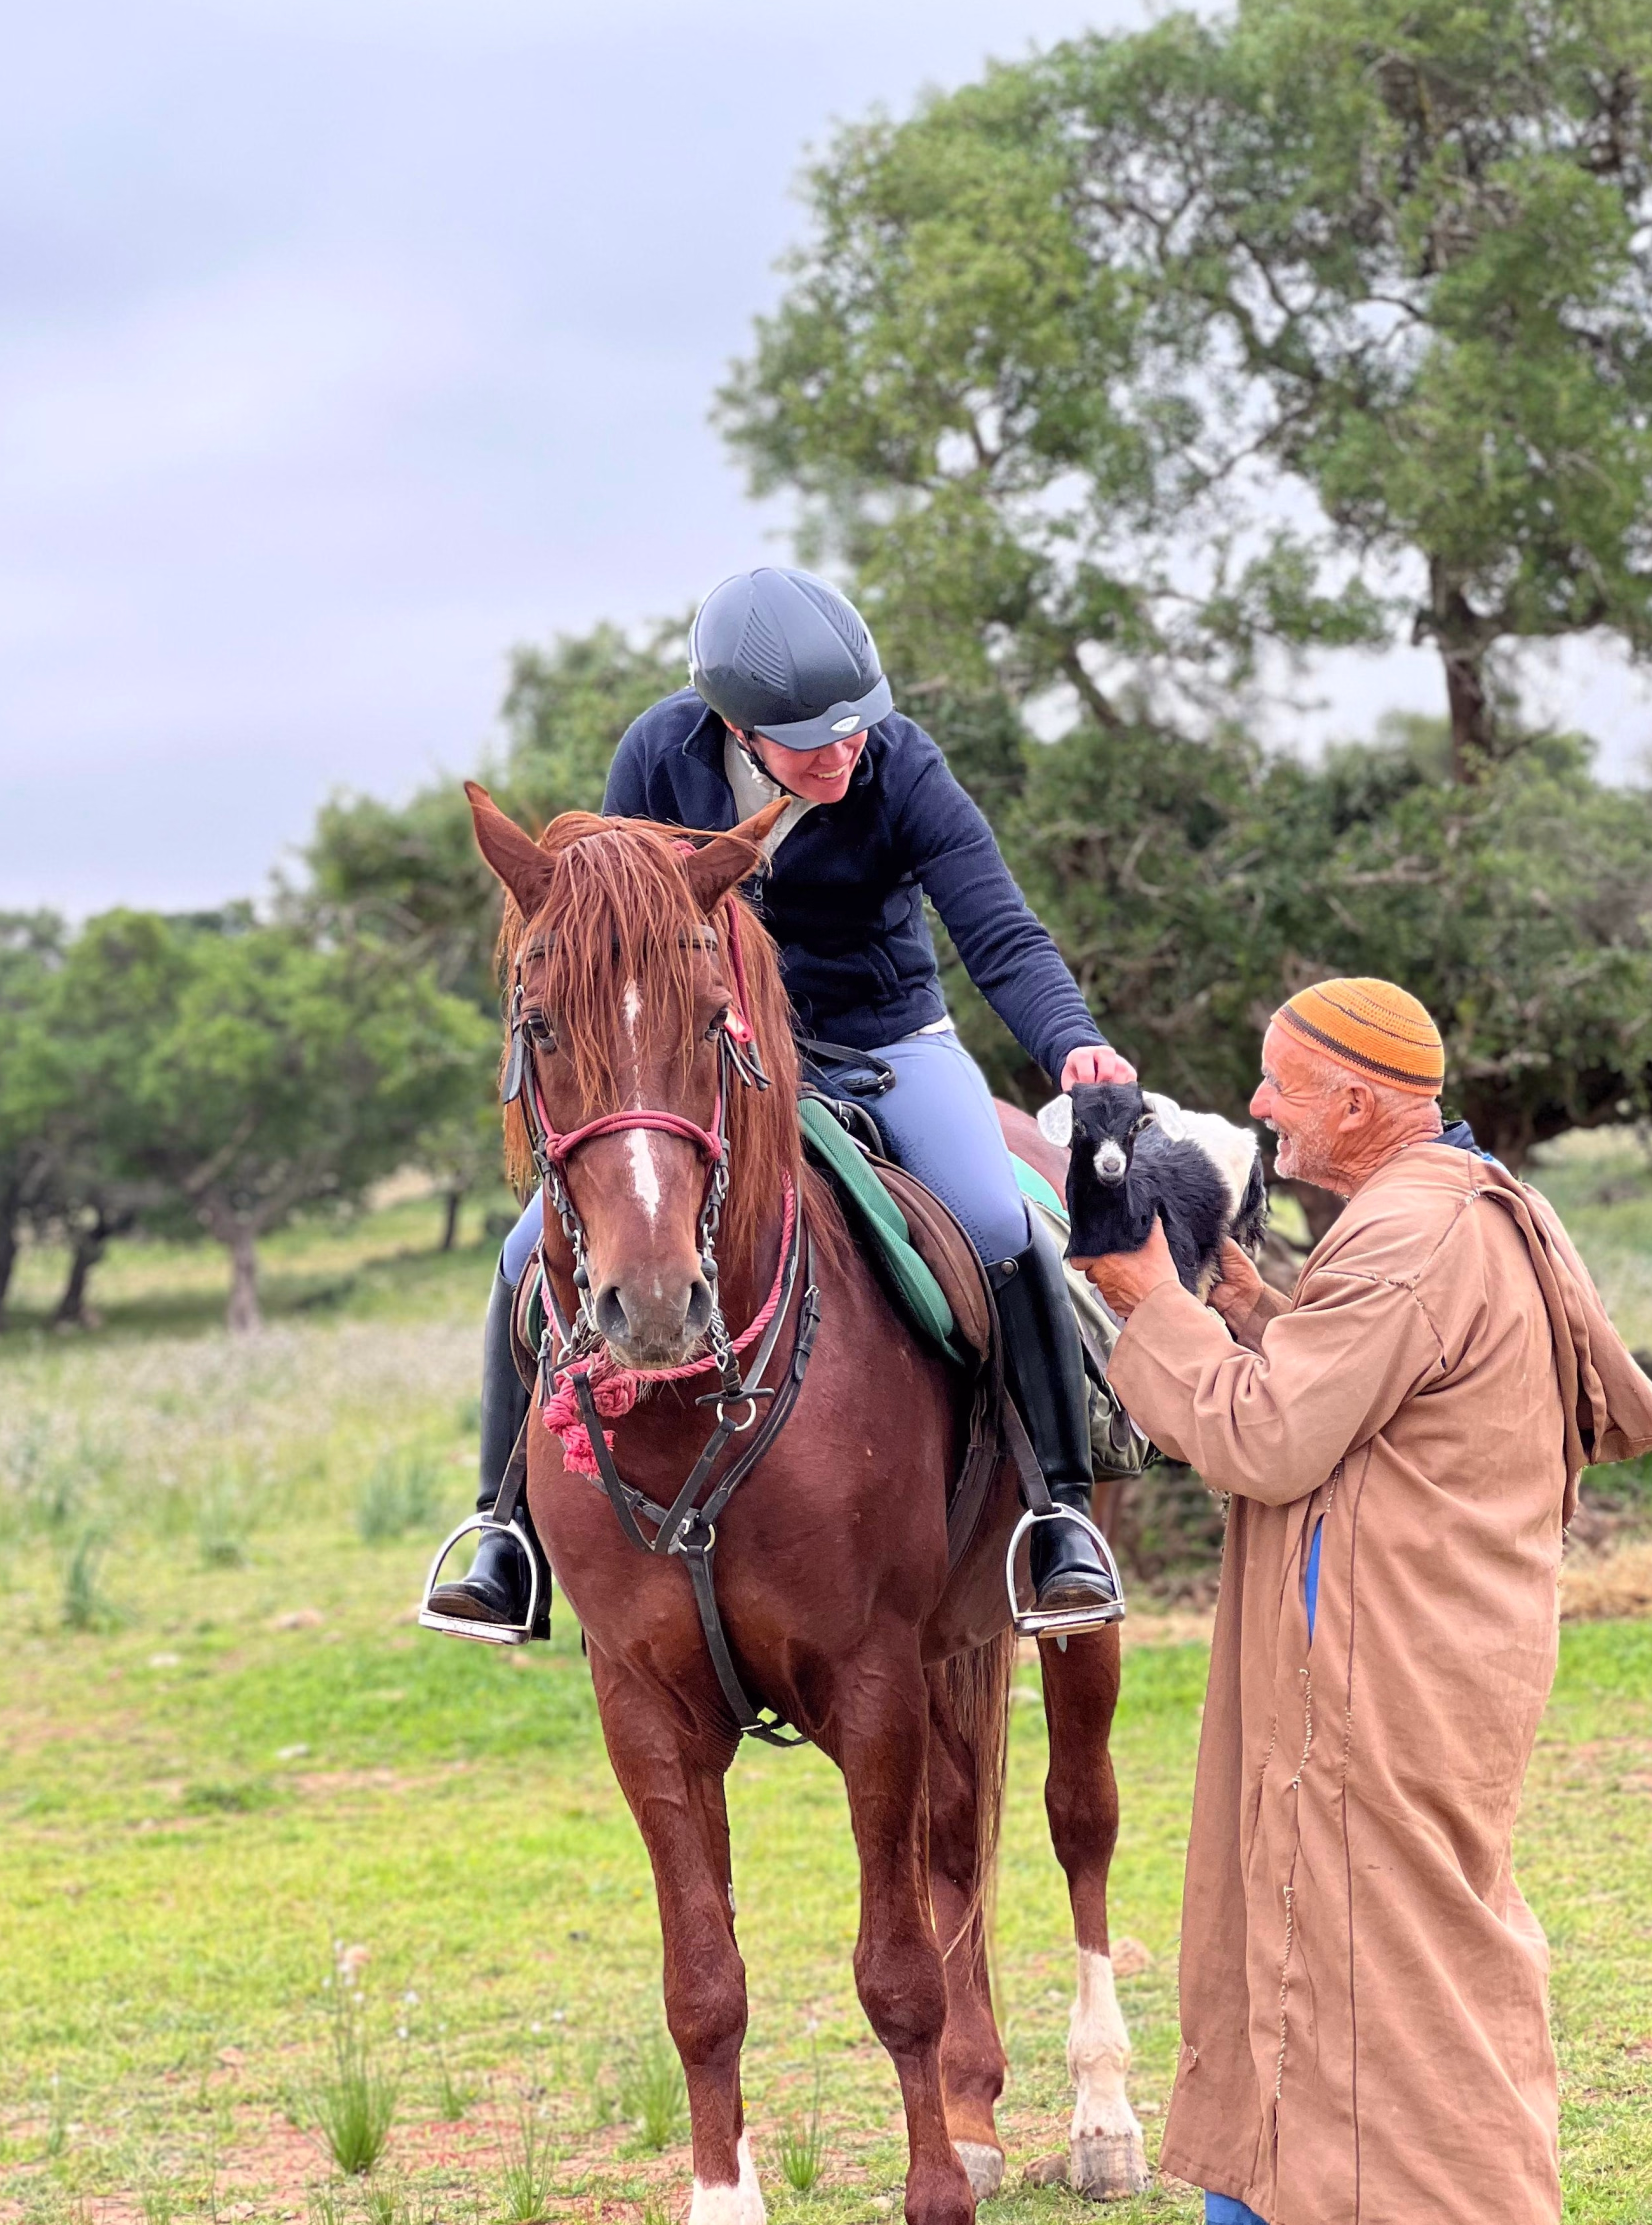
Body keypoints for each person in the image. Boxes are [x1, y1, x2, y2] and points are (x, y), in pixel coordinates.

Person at [1072, 978, 1652, 2225]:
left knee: (1410, 1942)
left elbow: (1274, 1434)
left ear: (1357, 1100)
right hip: (1426, 1638)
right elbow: (1350, 1378)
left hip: (1388, 1653)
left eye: (1281, 1083)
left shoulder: (1411, 1233)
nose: (1256, 1106)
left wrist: (1146, 1302)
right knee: (1384, 1931)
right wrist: (1234, 1290)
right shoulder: (1445, 1206)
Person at [427, 564, 1133, 1639]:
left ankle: (1061, 1517)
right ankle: (503, 1535)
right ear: (735, 725)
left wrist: (1073, 1043)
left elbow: (999, 931)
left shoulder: (902, 768)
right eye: (811, 737)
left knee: (997, 1221)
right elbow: (625, 947)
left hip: (887, 1040)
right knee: (526, 1254)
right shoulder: (658, 756)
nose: (843, 750)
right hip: (716, 1055)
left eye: (857, 726)